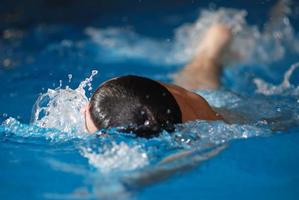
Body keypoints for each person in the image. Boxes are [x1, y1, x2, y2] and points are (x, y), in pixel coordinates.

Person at [82, 24, 232, 137]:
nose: (82, 110)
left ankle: (212, 48)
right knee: (200, 78)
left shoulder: (198, 126)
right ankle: (212, 48)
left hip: (221, 120)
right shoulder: (121, 90)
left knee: (203, 77)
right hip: (189, 103)